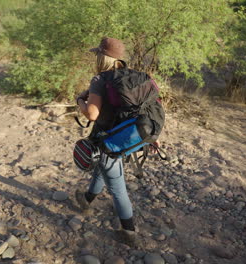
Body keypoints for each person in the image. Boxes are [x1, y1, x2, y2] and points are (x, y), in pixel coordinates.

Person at [75, 37, 137, 245]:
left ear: (101, 57)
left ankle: (129, 232)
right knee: (101, 167)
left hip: (108, 141)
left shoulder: (100, 80)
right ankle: (87, 199)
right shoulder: (129, 76)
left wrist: (80, 101)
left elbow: (92, 114)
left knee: (117, 187)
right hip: (126, 136)